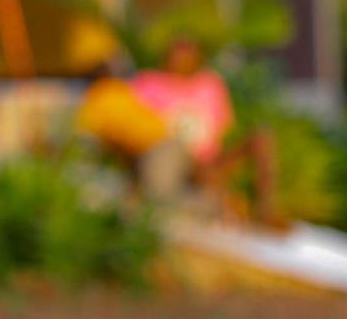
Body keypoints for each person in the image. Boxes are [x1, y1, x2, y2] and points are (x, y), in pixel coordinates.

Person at [77, 36, 281, 225]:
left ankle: (265, 210)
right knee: (171, 160)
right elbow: (130, 125)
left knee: (260, 137)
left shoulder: (210, 84)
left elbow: (222, 129)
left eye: (188, 57)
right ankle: (205, 203)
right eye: (177, 56)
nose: (182, 62)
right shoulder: (148, 83)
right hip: (167, 155)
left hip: (207, 161)